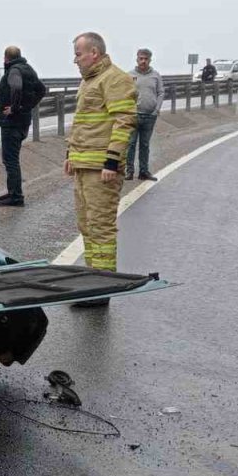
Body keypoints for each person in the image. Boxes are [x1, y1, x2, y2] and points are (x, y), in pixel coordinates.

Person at [65, 32, 136, 307]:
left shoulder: (115, 79)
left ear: (94, 53)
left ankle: (102, 288)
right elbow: (82, 123)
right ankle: (91, 282)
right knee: (86, 225)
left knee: (101, 228)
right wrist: (70, 154)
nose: (75, 60)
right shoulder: (89, 81)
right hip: (84, 164)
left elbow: (124, 121)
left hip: (101, 168)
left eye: (78, 54)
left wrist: (112, 161)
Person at [0, 46, 48, 207]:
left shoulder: (14, 70)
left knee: (10, 160)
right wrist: (27, 106)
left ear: (6, 58)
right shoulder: (29, 69)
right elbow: (42, 90)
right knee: (12, 159)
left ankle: (16, 196)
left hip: (12, 123)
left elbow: (16, 87)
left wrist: (15, 108)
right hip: (23, 121)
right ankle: (12, 192)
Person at [126, 48, 163, 181]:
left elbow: (160, 93)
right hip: (133, 116)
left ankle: (143, 172)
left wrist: (156, 109)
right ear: (137, 59)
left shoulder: (156, 75)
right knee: (131, 144)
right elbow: (125, 94)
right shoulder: (129, 75)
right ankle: (129, 171)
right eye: (141, 58)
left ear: (150, 60)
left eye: (146, 59)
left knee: (145, 145)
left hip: (150, 116)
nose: (143, 61)